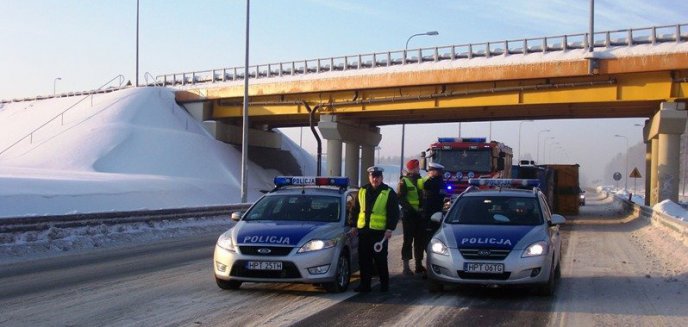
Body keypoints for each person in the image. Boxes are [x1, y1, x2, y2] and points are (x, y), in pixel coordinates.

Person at [349, 166, 400, 292]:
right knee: (364, 260)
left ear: (381, 178)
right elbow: (354, 209)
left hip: (379, 234)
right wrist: (353, 225)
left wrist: (390, 229)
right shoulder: (362, 191)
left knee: (380, 261)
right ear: (369, 177)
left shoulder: (388, 192)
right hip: (364, 232)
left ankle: (384, 285)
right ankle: (365, 285)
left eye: (377, 177)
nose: (375, 179)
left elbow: (394, 213)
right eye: (373, 176)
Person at [397, 159, 425, 275]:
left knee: (419, 241)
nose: (418, 168)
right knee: (408, 241)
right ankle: (406, 267)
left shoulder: (421, 180)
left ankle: (418, 265)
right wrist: (410, 209)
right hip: (409, 216)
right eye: (416, 167)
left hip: (420, 215)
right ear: (412, 168)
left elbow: (423, 196)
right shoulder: (404, 181)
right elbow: (400, 198)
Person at [421, 162, 446, 277]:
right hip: (434, 216)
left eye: (431, 170)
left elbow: (424, 186)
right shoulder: (441, 183)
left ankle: (430, 269)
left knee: (428, 243)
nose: (429, 172)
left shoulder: (432, 183)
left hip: (430, 217)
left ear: (437, 172)